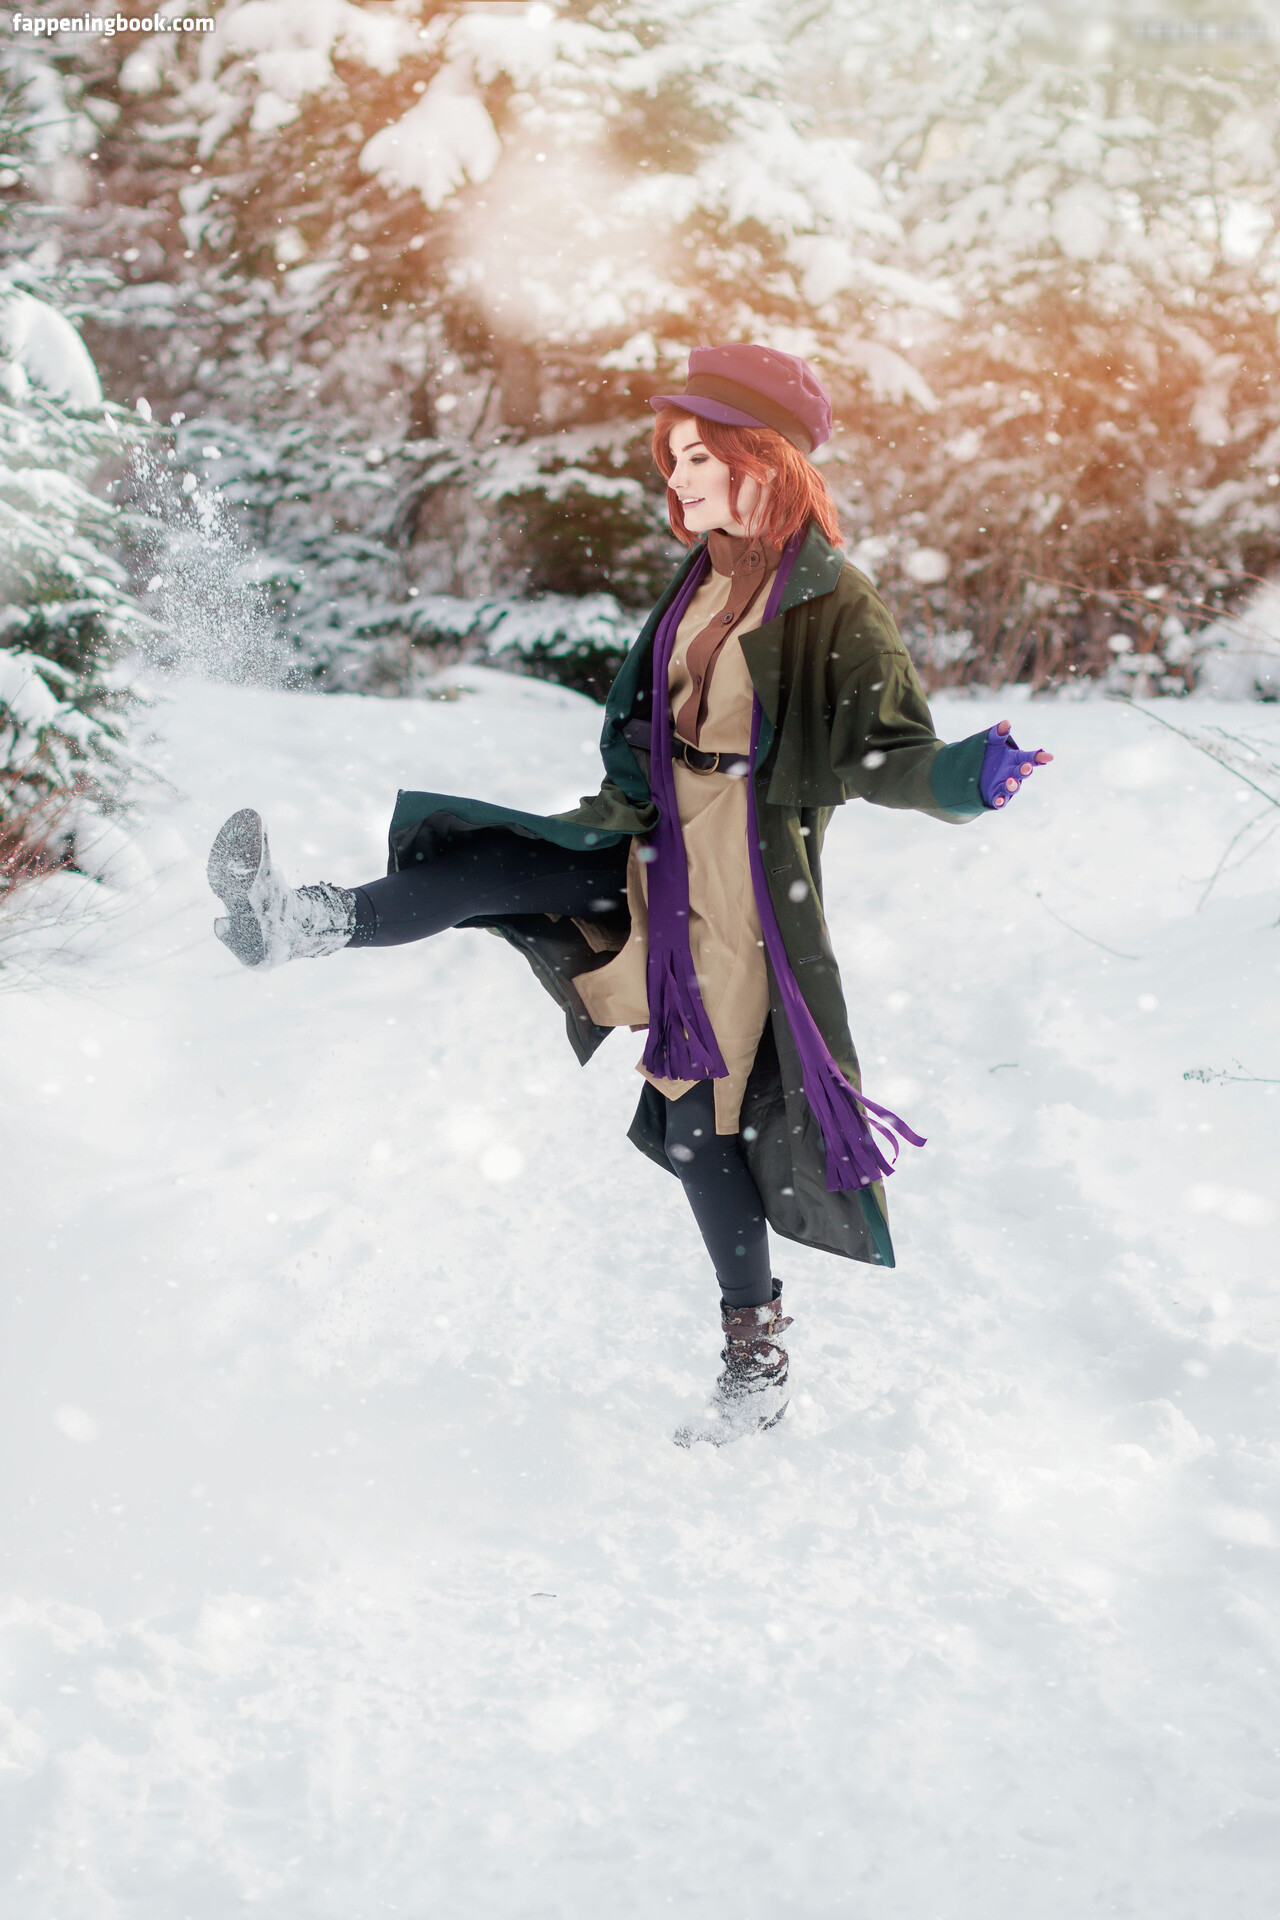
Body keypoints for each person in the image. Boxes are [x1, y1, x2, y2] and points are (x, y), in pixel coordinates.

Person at [207, 344, 1052, 1446]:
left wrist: (962, 780)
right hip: (651, 832)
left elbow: (883, 750)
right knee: (494, 863)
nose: (678, 477)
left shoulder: (832, 601)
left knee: (699, 1135)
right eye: (674, 458)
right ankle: (295, 922)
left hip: (737, 881)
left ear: (763, 461)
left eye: (699, 456)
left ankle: (755, 1362)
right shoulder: (704, 573)